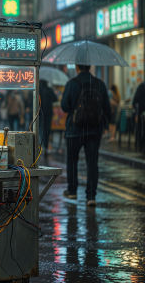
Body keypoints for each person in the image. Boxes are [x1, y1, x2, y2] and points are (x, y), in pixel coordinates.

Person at [61, 65, 111, 206]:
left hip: (74, 130)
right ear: (89, 67)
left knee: (72, 160)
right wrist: (106, 125)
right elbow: (107, 108)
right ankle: (91, 196)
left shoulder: (71, 84)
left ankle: (72, 191)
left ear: (77, 67)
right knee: (92, 163)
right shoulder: (99, 84)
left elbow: (64, 106)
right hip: (94, 130)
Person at [132, 72, 145, 152]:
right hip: (143, 113)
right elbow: (136, 101)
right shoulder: (143, 86)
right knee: (143, 130)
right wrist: (137, 114)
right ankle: (143, 146)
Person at [39, 80, 58, 156]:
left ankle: (43, 144)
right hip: (49, 113)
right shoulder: (50, 90)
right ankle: (46, 145)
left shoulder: (39, 91)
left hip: (41, 113)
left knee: (41, 129)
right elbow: (55, 99)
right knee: (47, 129)